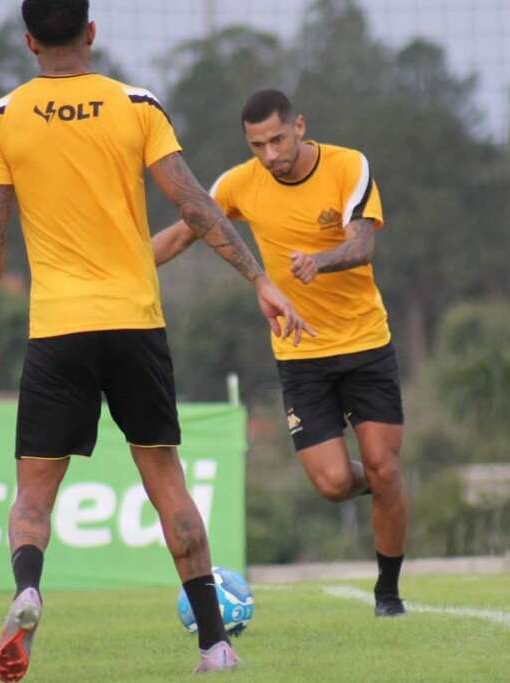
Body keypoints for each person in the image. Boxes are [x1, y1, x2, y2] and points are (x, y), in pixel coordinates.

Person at [0, 4, 312, 680]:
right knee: (167, 487)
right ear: (91, 33)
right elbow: (194, 206)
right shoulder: (137, 105)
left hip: (58, 328)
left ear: (30, 41)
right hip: (133, 322)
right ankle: (215, 645)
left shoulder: (3, 119)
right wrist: (259, 279)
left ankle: (28, 588)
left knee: (34, 496)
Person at [153, 89, 409, 618]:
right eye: (257, 146)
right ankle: (386, 487)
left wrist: (322, 260)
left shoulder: (348, 166)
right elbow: (184, 234)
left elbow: (362, 244)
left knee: (383, 465)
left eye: (276, 139)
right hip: (300, 356)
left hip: (365, 343)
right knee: (335, 483)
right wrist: (121, 266)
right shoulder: (238, 184)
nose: (270, 155)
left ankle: (388, 592)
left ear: (298, 126)